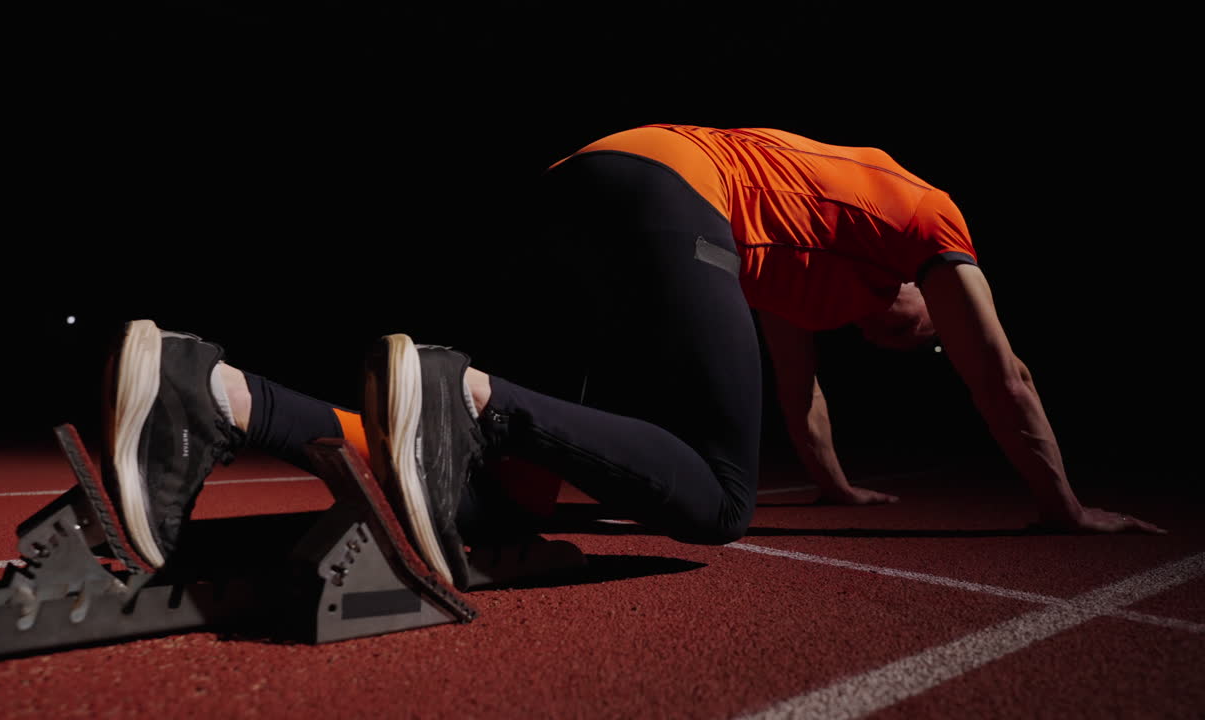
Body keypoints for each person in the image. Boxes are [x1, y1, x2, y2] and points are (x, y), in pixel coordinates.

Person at [98, 124, 1164, 593]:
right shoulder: (922, 218)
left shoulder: (809, 275)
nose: (897, 330)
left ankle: (221, 396)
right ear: (926, 290)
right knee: (717, 503)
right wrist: (1062, 508)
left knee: (492, 505)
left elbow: (796, 396)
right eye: (914, 323)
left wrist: (839, 486)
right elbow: (1003, 375)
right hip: (662, 193)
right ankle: (469, 388)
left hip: (575, 189)